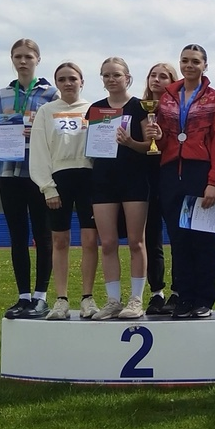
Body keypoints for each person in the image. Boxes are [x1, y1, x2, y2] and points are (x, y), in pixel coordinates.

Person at [144, 44, 215, 318]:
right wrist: (157, 135)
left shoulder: (214, 99)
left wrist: (214, 181)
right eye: (184, 60)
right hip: (170, 172)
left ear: (205, 65)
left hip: (200, 172)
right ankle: (184, 297)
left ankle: (204, 299)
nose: (189, 65)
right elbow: (162, 141)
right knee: (178, 239)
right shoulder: (168, 97)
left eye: (195, 61)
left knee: (202, 239)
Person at [62, 57, 150, 321]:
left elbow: (149, 147)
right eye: (106, 75)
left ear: (127, 78)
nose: (111, 80)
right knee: (108, 243)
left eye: (116, 75)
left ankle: (136, 299)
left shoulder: (140, 107)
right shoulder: (95, 109)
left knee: (136, 241)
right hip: (102, 182)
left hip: (134, 180)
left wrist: (130, 142)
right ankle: (113, 301)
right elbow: (92, 146)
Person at [0, 39, 58, 319]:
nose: (23, 61)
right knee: (17, 236)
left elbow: (60, 132)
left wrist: (38, 132)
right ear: (12, 59)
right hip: (7, 171)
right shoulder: (1, 95)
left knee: (43, 234)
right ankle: (23, 296)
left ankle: (41, 296)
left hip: (38, 172)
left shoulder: (51, 94)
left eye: (28, 56)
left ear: (38, 59)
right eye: (18, 56)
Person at [29, 62, 100, 319]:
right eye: (62, 79)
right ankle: (61, 299)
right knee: (60, 241)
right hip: (59, 181)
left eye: (73, 78)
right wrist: (48, 187)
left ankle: (87, 298)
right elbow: (39, 150)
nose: (68, 83)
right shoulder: (46, 111)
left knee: (90, 240)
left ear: (82, 82)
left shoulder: (94, 110)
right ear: (56, 83)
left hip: (89, 179)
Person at [141, 63, 178, 315]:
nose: (156, 79)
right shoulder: (139, 108)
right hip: (146, 179)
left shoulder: (178, 110)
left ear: (173, 81)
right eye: (153, 75)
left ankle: (179, 290)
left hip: (171, 175)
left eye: (163, 76)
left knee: (177, 236)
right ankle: (156, 293)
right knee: (150, 237)